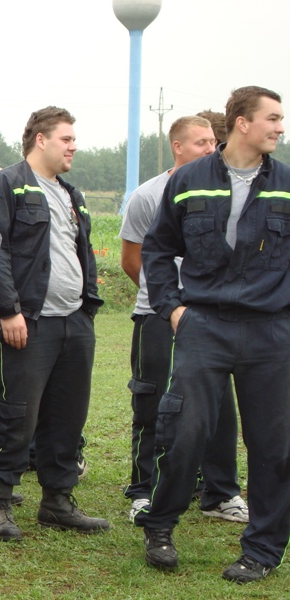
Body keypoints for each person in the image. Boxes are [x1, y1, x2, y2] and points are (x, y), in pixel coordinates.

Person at [137, 85, 289, 583]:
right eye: (271, 118)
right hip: (205, 325)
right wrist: (173, 308)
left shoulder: (287, 182)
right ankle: (160, 526)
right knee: (185, 430)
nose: (279, 127)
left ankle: (262, 550)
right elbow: (157, 249)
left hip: (270, 331)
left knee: (273, 446)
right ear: (242, 123)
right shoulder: (188, 180)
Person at [0, 106, 108, 542]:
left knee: (67, 416)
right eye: (66, 139)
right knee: (16, 414)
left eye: (74, 139)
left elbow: (80, 252)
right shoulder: (7, 185)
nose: (74, 146)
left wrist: (87, 307)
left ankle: (57, 501)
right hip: (28, 322)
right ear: (40, 140)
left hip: (74, 322)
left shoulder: (72, 194)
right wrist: (8, 310)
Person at [120, 115, 247, 524]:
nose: (211, 149)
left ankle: (220, 493)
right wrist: (168, 302)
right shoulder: (147, 195)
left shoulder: (229, 189)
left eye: (213, 141)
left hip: (213, 318)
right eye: (200, 143)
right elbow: (131, 258)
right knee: (153, 402)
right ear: (177, 146)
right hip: (158, 316)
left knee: (219, 406)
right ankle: (144, 490)